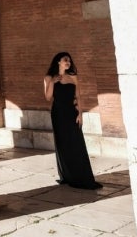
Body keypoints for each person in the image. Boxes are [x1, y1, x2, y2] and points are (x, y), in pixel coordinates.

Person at [44, 52, 102, 189]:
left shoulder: (73, 77)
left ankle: (82, 175)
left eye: (69, 60)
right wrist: (52, 82)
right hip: (58, 114)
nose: (68, 62)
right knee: (63, 144)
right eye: (65, 60)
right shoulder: (49, 77)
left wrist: (80, 114)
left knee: (76, 143)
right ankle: (67, 175)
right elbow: (48, 97)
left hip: (72, 113)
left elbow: (78, 96)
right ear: (58, 62)